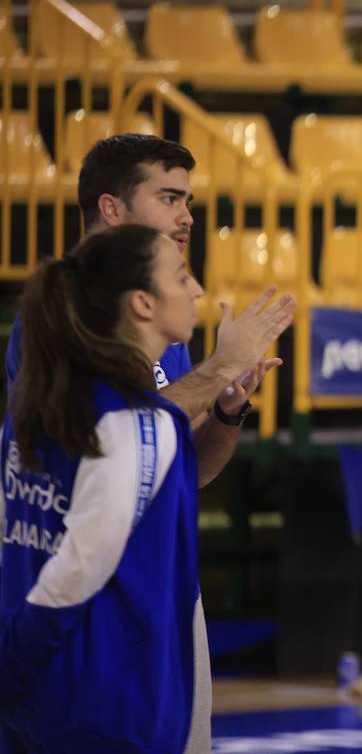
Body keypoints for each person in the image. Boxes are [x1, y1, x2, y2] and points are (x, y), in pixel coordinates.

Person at [2, 132, 295, 753]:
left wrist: (226, 408)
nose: (187, 216)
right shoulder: (57, 323)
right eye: (169, 198)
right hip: (91, 615)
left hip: (157, 596)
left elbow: (181, 469)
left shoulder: (160, 329)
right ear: (111, 208)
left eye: (188, 201)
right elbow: (116, 440)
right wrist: (219, 367)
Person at [0, 225, 204, 750]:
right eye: (182, 277)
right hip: (106, 708)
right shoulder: (137, 423)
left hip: (38, 704)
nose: (196, 290)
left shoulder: (34, 407)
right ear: (143, 303)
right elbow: (78, 570)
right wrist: (11, 667)